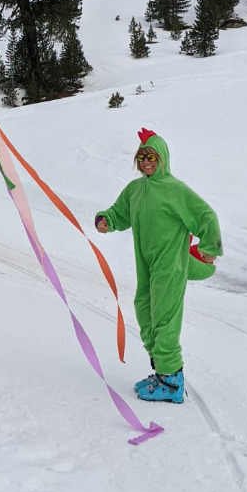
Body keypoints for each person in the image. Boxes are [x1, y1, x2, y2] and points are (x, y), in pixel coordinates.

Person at [95, 128, 222, 403]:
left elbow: (206, 216)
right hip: (146, 263)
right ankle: (161, 370)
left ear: (162, 158)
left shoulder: (175, 189)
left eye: (151, 156)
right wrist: (106, 220)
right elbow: (119, 213)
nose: (146, 162)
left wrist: (210, 249)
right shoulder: (135, 189)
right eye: (141, 157)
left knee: (164, 319)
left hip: (170, 263)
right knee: (145, 311)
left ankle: (172, 381)